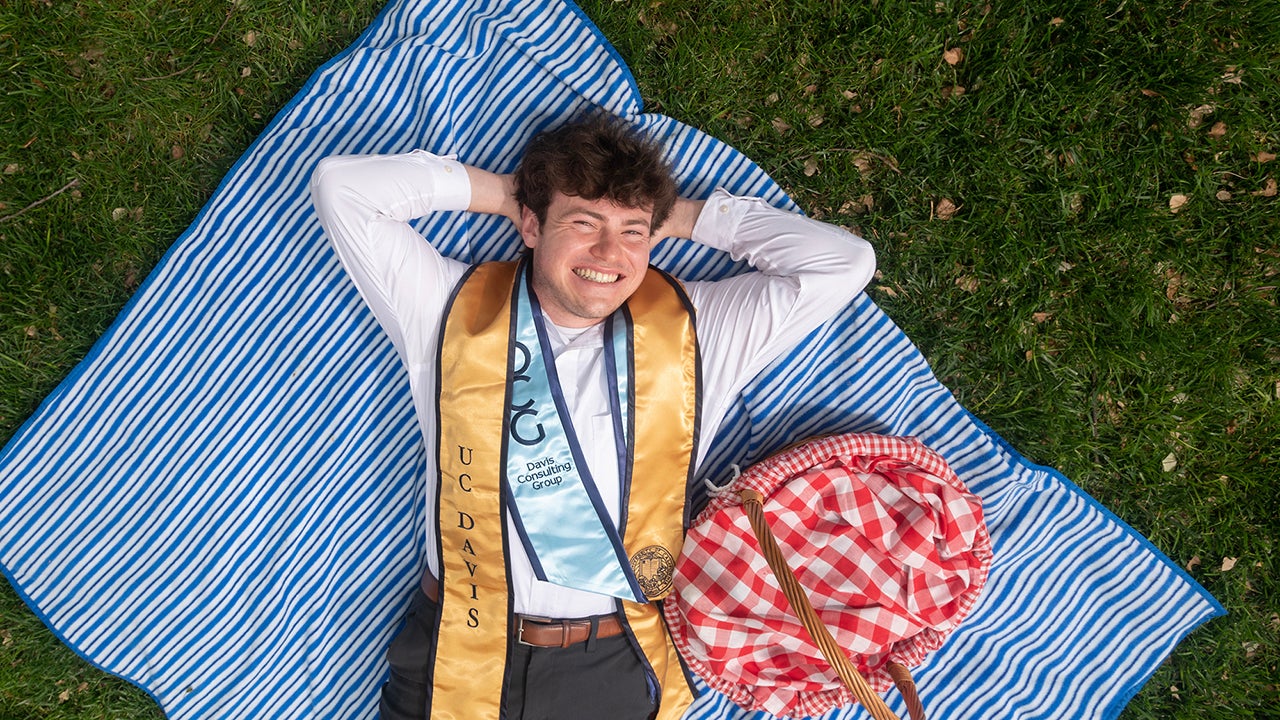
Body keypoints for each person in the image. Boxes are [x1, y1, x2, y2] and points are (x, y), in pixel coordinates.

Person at [309, 115, 875, 720]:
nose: (611, 254)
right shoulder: (448, 307)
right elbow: (344, 188)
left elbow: (844, 263)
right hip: (454, 646)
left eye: (632, 232)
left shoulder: (700, 331)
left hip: (609, 664)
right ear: (532, 225)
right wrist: (507, 194)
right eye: (584, 223)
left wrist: (678, 218)